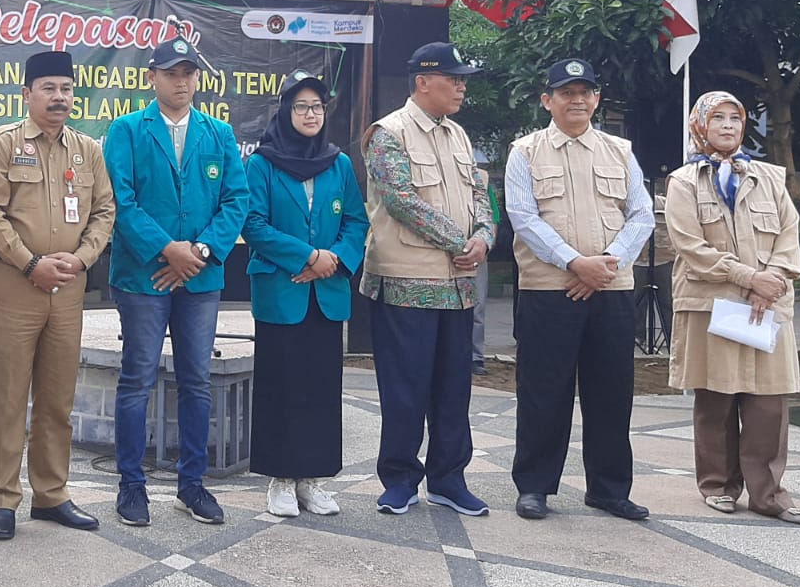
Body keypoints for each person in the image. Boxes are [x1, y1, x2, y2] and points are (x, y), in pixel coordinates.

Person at [103, 36, 249, 528]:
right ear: (152, 78)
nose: (181, 81)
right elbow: (122, 202)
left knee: (196, 380)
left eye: (188, 73)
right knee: (137, 379)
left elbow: (236, 200)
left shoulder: (219, 132)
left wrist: (201, 252)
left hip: (201, 277)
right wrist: (169, 250)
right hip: (145, 276)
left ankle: (192, 485)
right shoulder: (126, 130)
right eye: (171, 73)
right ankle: (131, 486)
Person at [0, 50, 117, 540]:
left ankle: (51, 494)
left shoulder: (87, 150)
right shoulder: (2, 144)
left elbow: (104, 212)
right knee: (9, 399)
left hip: (68, 290)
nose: (59, 98)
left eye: (66, 89)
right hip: (15, 287)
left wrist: (82, 259)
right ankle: (2, 499)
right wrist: (30, 263)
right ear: (27, 94)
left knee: (58, 399)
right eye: (49, 89)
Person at [505, 58, 656, 521]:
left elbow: (642, 215)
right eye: (566, 92)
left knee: (611, 393)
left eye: (584, 92)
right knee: (543, 392)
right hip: (550, 289)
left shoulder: (620, 151)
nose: (577, 100)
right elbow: (523, 217)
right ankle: (534, 486)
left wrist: (605, 265)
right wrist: (575, 262)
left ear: (596, 99)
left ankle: (609, 489)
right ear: (547, 100)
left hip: (610, 289)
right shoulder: (525, 152)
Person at [361, 42, 494, 518]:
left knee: (454, 387)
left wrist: (483, 236)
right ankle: (399, 479)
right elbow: (399, 200)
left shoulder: (458, 134)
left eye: (462, 79)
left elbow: (481, 192)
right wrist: (461, 243)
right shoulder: (388, 133)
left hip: (458, 286)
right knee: (405, 388)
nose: (461, 86)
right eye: (453, 78)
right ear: (422, 81)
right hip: (406, 281)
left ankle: (448, 478)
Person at [666, 91, 800, 525]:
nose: (728, 126)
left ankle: (769, 493)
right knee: (717, 397)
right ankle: (718, 485)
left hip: (765, 304)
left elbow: (789, 235)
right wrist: (749, 278)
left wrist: (772, 282)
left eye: (735, 118)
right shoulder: (684, 182)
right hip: (714, 304)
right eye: (718, 118)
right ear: (700, 126)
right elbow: (690, 245)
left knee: (768, 401)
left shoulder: (769, 176)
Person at [243, 71, 367, 518]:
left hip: (327, 294)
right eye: (301, 106)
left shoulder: (339, 163)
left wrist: (332, 259)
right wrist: (306, 257)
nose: (310, 114)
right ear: (285, 111)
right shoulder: (263, 163)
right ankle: (279, 480)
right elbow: (253, 224)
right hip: (282, 292)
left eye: (316, 106)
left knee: (319, 388)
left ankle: (312, 481)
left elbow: (357, 221)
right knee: (281, 387)